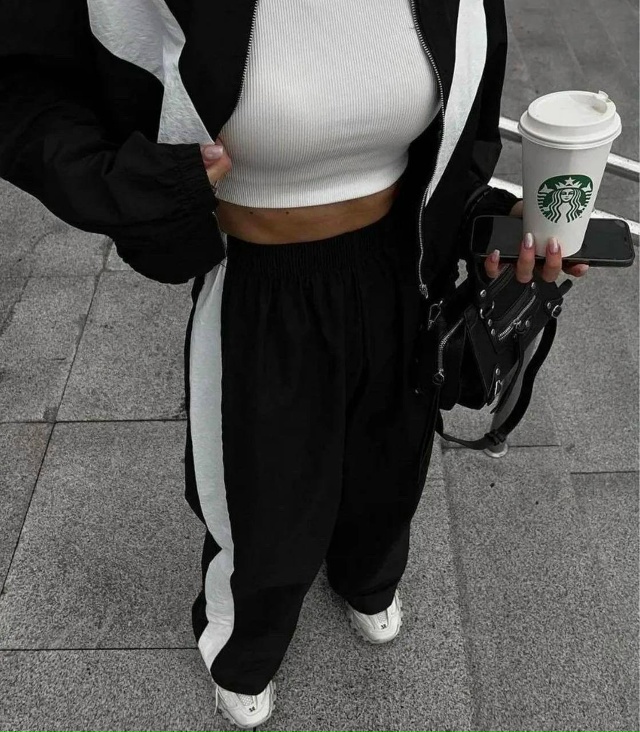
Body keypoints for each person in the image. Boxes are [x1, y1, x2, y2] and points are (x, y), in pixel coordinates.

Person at [0, 0, 589, 728]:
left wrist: (485, 219)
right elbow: (22, 87)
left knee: (390, 461)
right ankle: (245, 645)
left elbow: (461, 124)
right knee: (261, 493)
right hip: (261, 282)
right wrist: (131, 187)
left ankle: (366, 577)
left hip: (399, 266)